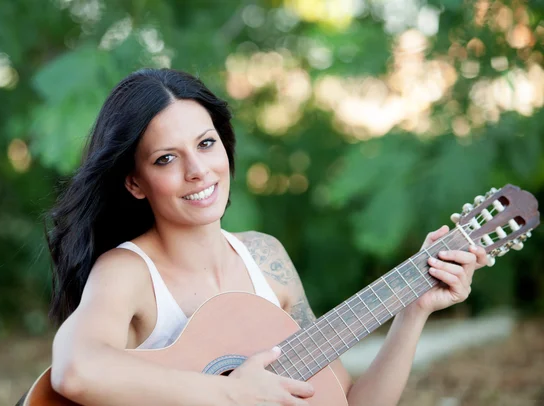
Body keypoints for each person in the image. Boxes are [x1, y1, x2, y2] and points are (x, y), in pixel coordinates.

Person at [47, 68, 487, 406]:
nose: (198, 171)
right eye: (165, 158)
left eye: (205, 144)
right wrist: (231, 394)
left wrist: (412, 312)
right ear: (135, 183)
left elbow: (347, 402)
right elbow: (74, 370)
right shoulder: (128, 272)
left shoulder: (264, 257)